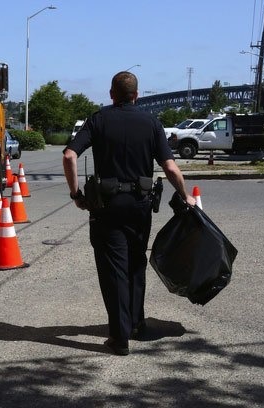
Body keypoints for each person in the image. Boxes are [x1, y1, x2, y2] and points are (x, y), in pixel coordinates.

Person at [62, 71, 196, 356]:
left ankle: (119, 336)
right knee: (136, 263)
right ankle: (136, 324)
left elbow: (69, 155)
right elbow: (171, 168)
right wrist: (186, 197)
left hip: (106, 207)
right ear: (137, 95)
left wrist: (76, 195)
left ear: (112, 94)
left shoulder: (98, 119)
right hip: (140, 205)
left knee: (114, 270)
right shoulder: (151, 122)